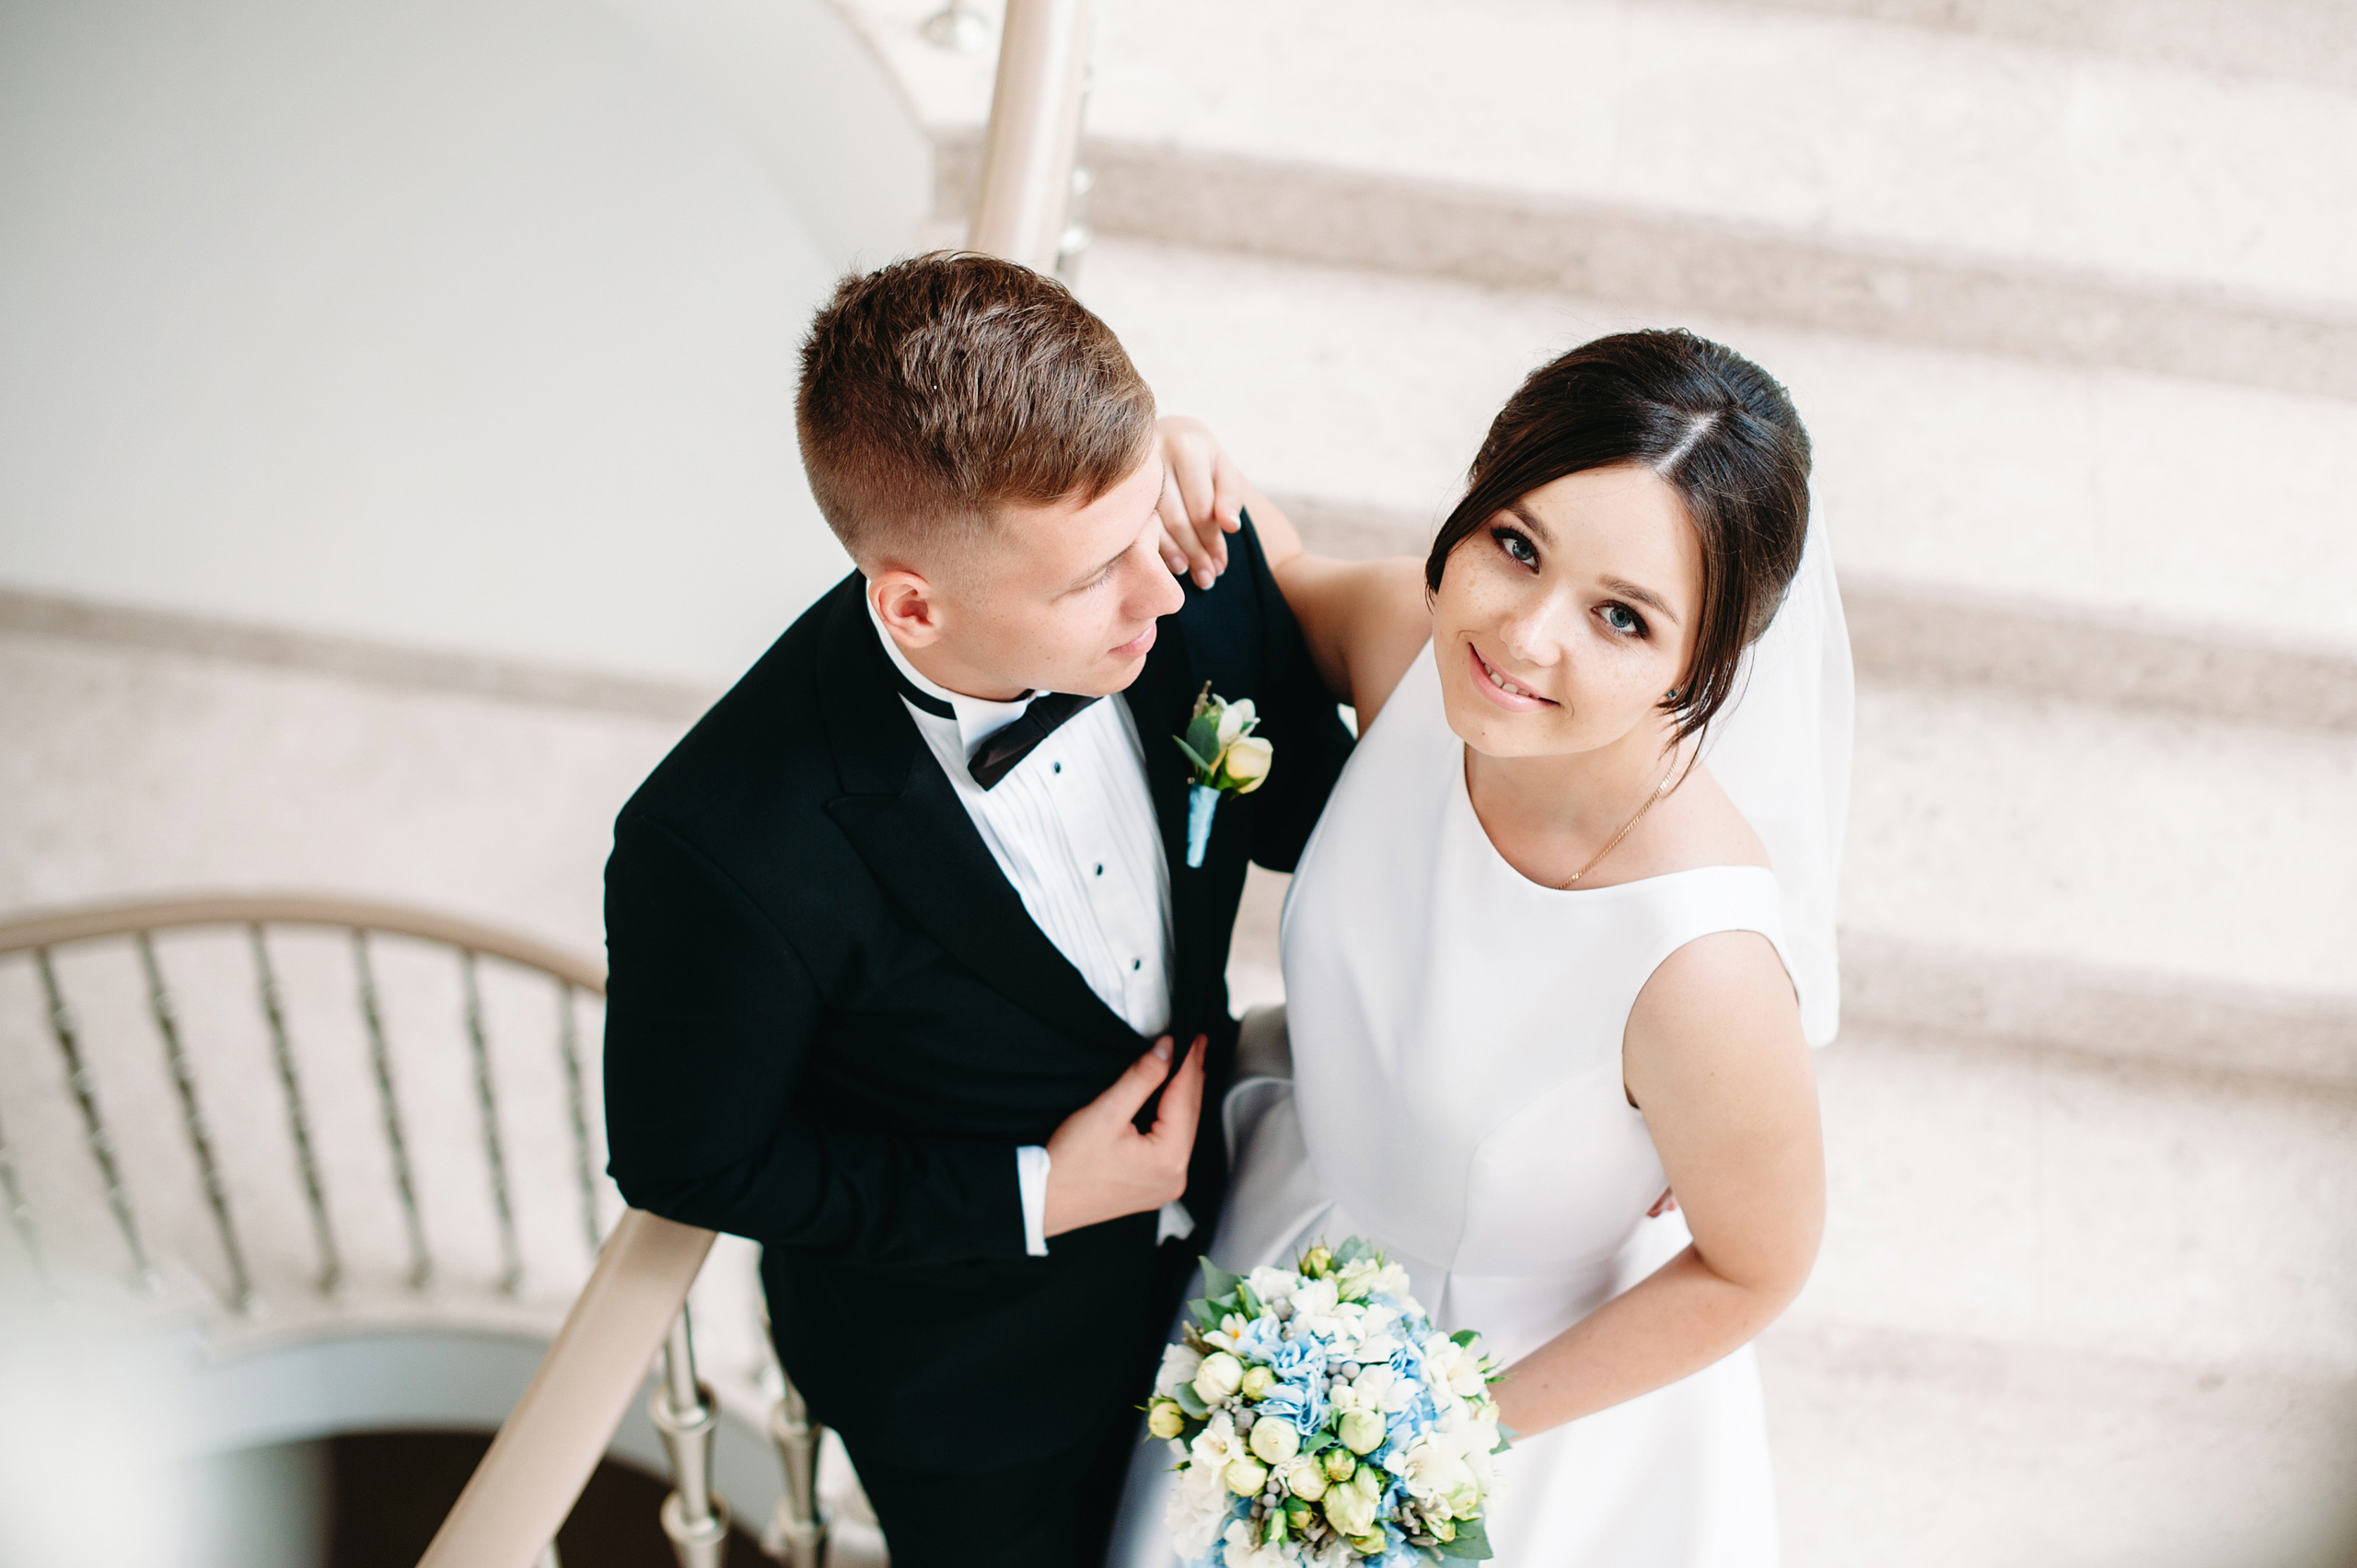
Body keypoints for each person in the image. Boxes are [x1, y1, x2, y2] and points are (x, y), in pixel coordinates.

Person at [598, 252, 1356, 1568]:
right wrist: (1032, 1194)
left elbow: (1320, 818)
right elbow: (691, 1160)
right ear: (912, 604)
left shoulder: (1177, 564)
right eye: (1091, 578)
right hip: (971, 1387)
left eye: (1144, 531)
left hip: (1232, 1265)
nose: (1165, 595)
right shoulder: (719, 845)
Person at [1109, 328, 1852, 1563]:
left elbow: (1757, 1266)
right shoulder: (1415, 640)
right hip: (1290, 1241)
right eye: (1515, 544)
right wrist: (1186, 465)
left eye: (1622, 618)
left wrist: (1439, 1430)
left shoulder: (1700, 966)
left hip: (1502, 1382)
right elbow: (1275, 569)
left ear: (1707, 665)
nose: (1523, 637)